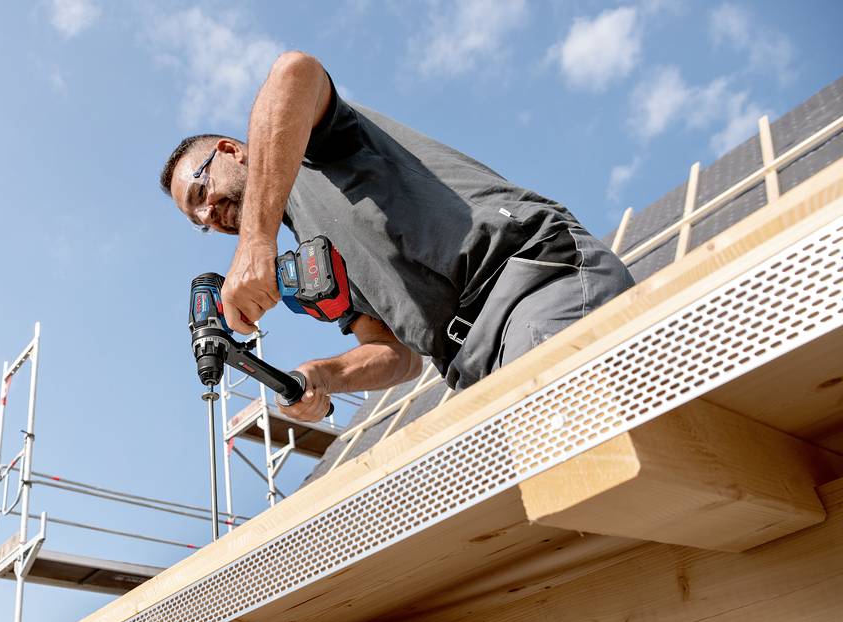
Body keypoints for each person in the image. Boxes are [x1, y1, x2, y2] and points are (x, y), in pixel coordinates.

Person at [160, 52, 633, 422]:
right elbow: (398, 356)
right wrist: (318, 376)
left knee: (601, 471)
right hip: (471, 365)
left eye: (202, 190)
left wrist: (255, 242)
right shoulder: (313, 260)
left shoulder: (305, 147)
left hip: (525, 290)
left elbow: (293, 73)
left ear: (231, 151)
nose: (208, 213)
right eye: (197, 219)